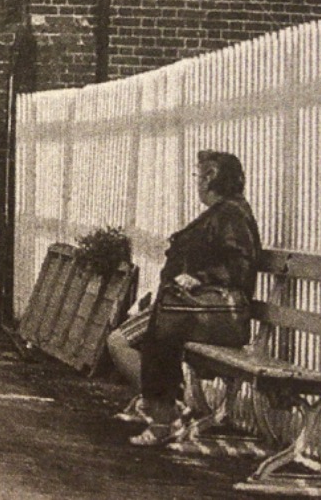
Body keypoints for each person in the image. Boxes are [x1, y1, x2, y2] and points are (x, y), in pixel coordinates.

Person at [106, 149, 262, 446]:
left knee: (129, 338)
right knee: (141, 332)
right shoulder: (224, 211)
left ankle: (164, 413)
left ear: (210, 178)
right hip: (191, 307)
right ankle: (161, 404)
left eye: (199, 175)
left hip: (213, 313)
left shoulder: (231, 214)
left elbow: (240, 266)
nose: (197, 183)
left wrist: (201, 278)